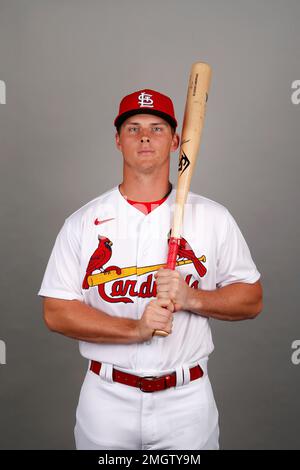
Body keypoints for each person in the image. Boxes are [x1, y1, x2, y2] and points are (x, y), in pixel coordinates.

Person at [38, 88, 263, 450]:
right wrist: (136, 328)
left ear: (176, 141)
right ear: (118, 141)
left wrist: (192, 298)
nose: (144, 136)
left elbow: (251, 299)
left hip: (187, 401)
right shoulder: (82, 223)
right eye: (133, 128)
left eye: (157, 128)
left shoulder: (213, 218)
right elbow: (56, 311)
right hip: (107, 400)